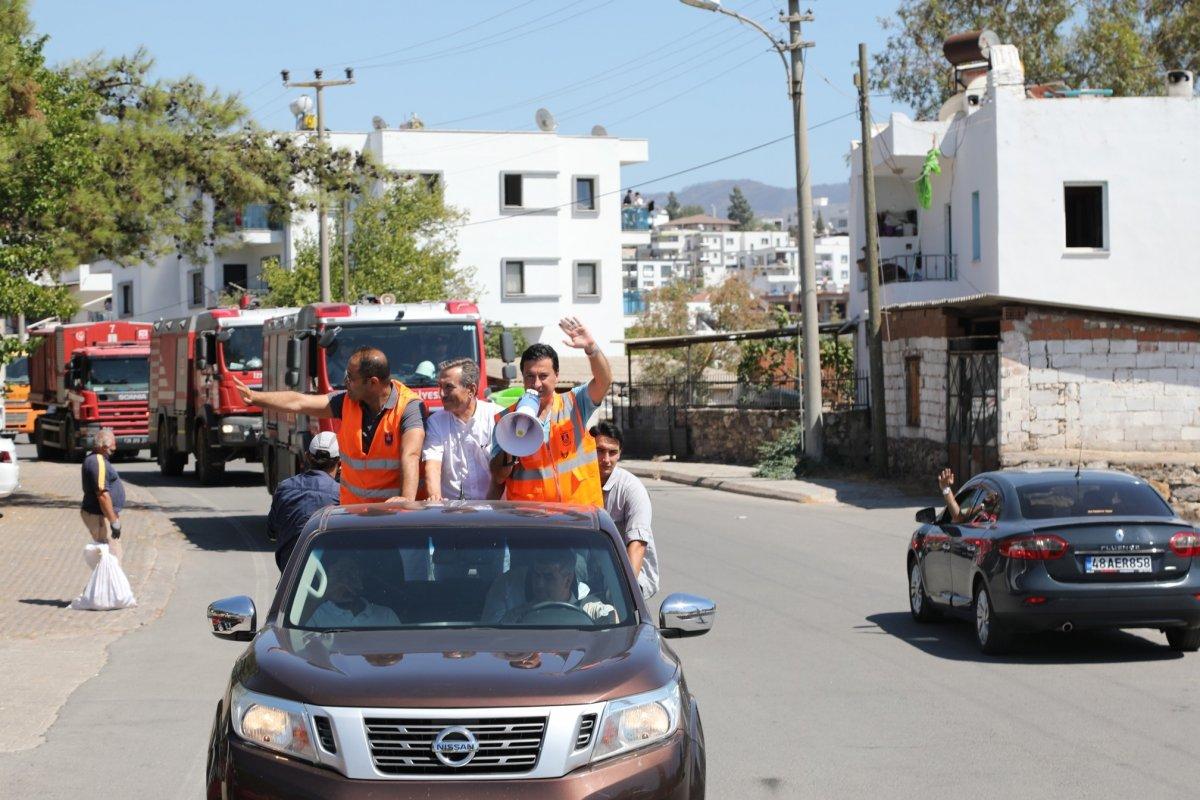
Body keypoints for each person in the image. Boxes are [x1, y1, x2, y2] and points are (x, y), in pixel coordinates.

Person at [233, 346, 426, 504]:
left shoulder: (409, 407)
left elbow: (411, 454)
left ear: (372, 383)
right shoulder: (346, 402)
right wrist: (254, 397)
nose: (345, 382)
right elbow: (299, 402)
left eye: (351, 378)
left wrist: (406, 501)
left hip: (394, 516)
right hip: (353, 513)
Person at [489, 318, 611, 506]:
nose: (536, 383)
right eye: (530, 376)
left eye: (543, 376)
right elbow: (498, 476)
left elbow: (603, 382)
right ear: (522, 377)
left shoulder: (574, 403)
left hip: (579, 516)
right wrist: (512, 444)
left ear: (557, 376)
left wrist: (591, 348)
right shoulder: (506, 420)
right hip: (533, 522)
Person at [591, 422, 659, 599]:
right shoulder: (578, 483)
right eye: (600, 451)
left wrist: (624, 594)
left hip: (630, 576)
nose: (606, 459)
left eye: (612, 453)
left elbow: (637, 545)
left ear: (619, 453)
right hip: (591, 575)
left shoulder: (632, 489)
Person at [71, 428, 136, 610]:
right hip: (100, 516)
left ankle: (106, 593)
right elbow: (102, 494)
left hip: (101, 515)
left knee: (108, 557)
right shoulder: (97, 462)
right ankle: (109, 595)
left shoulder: (97, 459)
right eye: (112, 449)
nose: (113, 452)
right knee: (112, 557)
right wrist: (114, 521)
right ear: (103, 446)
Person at [422, 358, 501, 501]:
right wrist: (435, 498)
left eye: (448, 387)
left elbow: (503, 474)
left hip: (494, 511)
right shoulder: (436, 422)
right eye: (440, 386)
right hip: (452, 514)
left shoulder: (497, 418)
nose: (441, 394)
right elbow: (432, 466)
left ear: (471, 390)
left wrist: (490, 509)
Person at [267, 431, 341, 570]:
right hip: (328, 575)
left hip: (289, 576)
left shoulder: (284, 488)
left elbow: (271, 531)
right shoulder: (342, 495)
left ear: (307, 457)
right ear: (340, 462)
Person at [484, 550, 616, 624]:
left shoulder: (587, 608)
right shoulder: (518, 616)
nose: (539, 584)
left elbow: (612, 619)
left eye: (548, 577)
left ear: (568, 580)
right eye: (536, 575)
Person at [306, 557, 401, 628]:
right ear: (326, 580)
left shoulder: (386, 616)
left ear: (361, 579)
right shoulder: (314, 614)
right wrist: (325, 596)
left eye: (351, 573)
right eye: (339, 574)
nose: (345, 581)